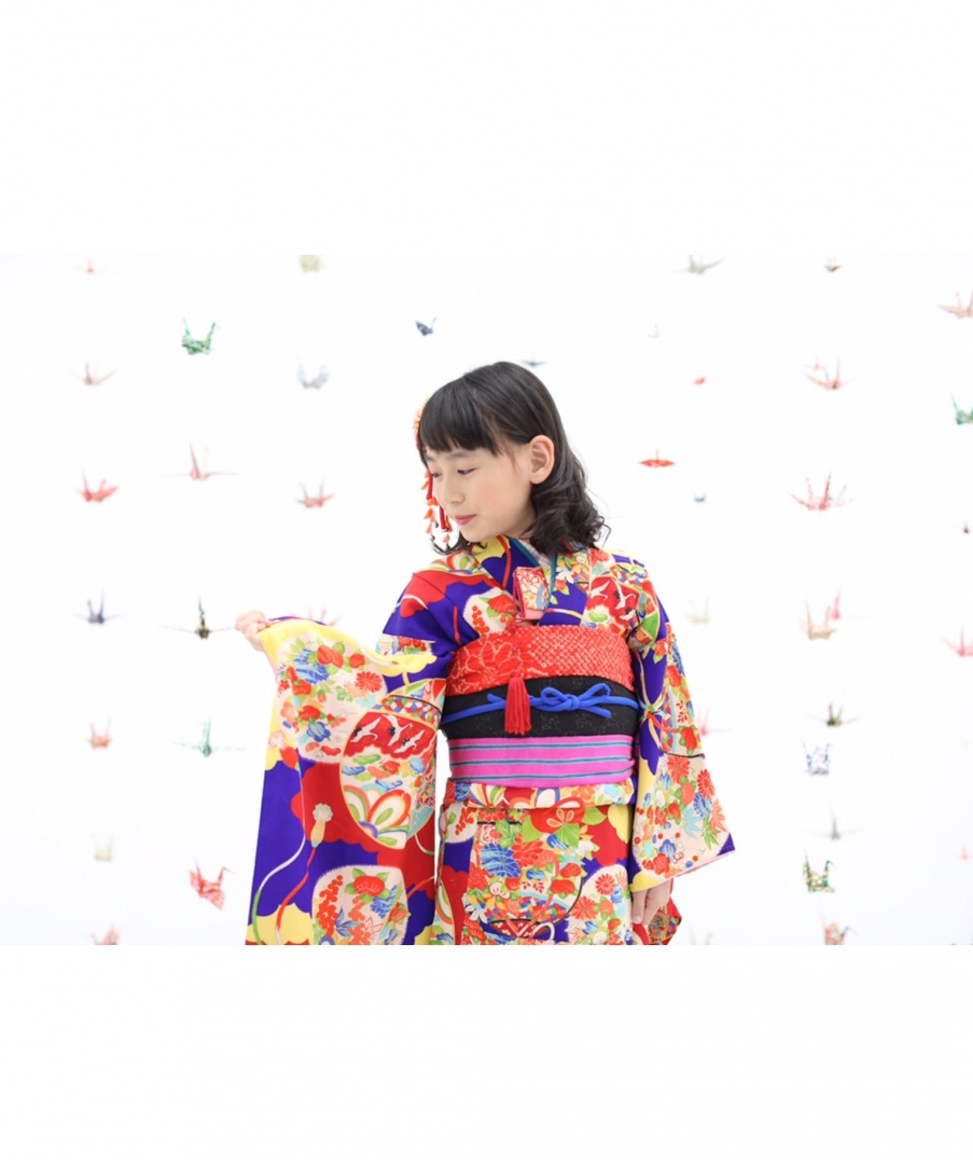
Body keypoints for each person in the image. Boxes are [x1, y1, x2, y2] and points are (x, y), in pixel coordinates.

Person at [236, 361, 734, 945]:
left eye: (465, 468)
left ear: (537, 459)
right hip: (483, 851)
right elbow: (386, 707)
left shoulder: (625, 585)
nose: (447, 492)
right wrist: (298, 652)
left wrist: (659, 856)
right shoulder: (437, 590)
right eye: (435, 472)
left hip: (606, 849)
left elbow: (667, 720)